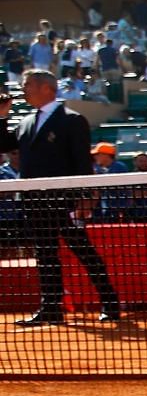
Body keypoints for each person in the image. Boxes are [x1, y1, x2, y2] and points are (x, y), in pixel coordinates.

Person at [3, 69, 120, 325]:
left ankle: (110, 303)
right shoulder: (25, 122)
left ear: (47, 88)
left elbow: (81, 161)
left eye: (28, 84)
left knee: (83, 251)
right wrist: (1, 115)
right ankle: (51, 308)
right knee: (45, 254)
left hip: (63, 201)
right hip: (34, 201)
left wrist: (84, 198)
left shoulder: (72, 120)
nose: (24, 90)